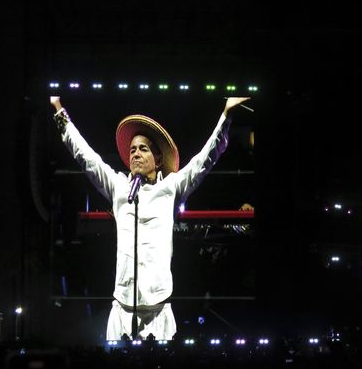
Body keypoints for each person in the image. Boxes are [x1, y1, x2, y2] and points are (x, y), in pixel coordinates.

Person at [50, 95, 250, 341]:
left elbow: (204, 160)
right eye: (132, 150)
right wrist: (58, 110)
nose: (135, 154)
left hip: (159, 308)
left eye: (143, 149)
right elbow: (85, 156)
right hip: (122, 306)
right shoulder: (119, 186)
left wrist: (226, 115)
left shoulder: (171, 187)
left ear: (158, 159)